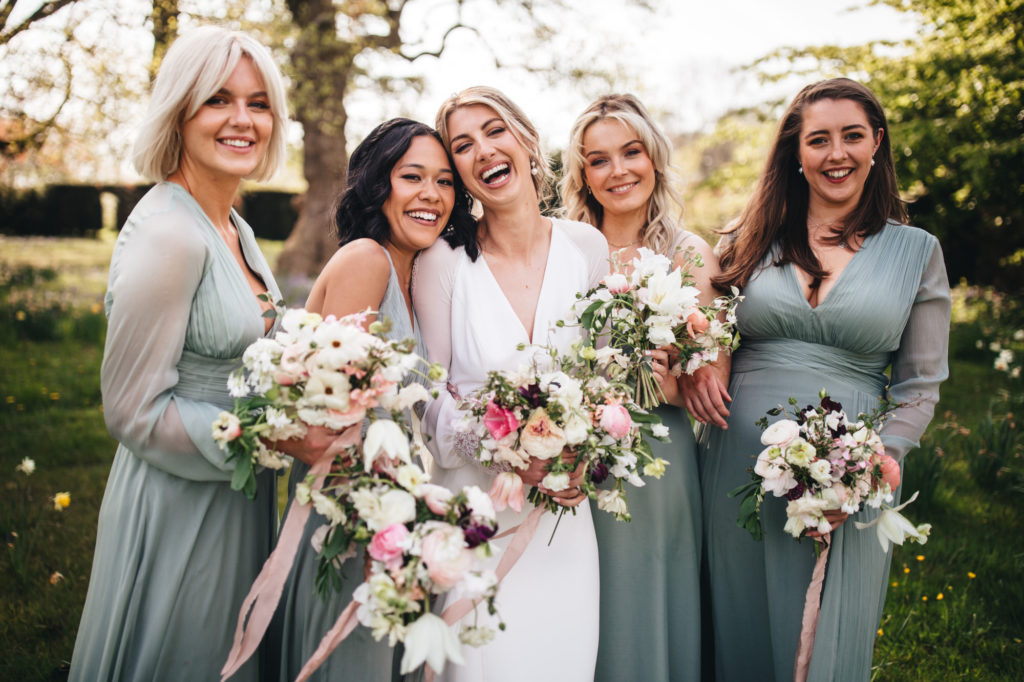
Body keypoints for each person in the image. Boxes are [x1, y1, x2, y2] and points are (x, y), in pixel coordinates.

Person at [70, 26, 338, 681]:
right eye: (218, 100)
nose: (243, 119)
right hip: (178, 503)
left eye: (258, 102)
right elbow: (131, 412)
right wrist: (273, 440)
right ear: (179, 112)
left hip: (236, 492)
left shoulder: (230, 224)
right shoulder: (171, 235)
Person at [699, 77, 950, 681]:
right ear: (796, 154)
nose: (836, 153)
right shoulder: (747, 240)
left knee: (824, 640)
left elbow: (920, 387)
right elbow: (703, 332)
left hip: (849, 475)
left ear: (877, 144)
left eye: (852, 136)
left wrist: (873, 465)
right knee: (736, 629)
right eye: (818, 140)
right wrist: (702, 357)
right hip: (735, 458)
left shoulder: (916, 250)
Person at [413, 86, 608, 682]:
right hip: (476, 517)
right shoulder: (443, 263)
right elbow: (428, 401)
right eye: (462, 146)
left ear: (525, 140)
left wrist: (583, 449)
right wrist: (507, 448)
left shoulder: (586, 247)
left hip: (564, 522)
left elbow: (604, 380)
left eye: (494, 131)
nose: (483, 151)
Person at [271, 117, 475, 681]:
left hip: (394, 509)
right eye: (412, 177)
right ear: (378, 184)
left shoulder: (417, 273)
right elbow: (327, 413)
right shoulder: (366, 259)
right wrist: (375, 529)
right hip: (349, 510)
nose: (431, 195)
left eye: (445, 182)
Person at [560, 93, 730, 682]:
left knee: (644, 600)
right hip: (571, 451)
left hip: (658, 459)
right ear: (583, 174)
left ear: (653, 159)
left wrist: (664, 386)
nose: (619, 171)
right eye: (599, 159)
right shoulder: (563, 249)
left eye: (631, 152)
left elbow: (712, 390)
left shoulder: (688, 255)